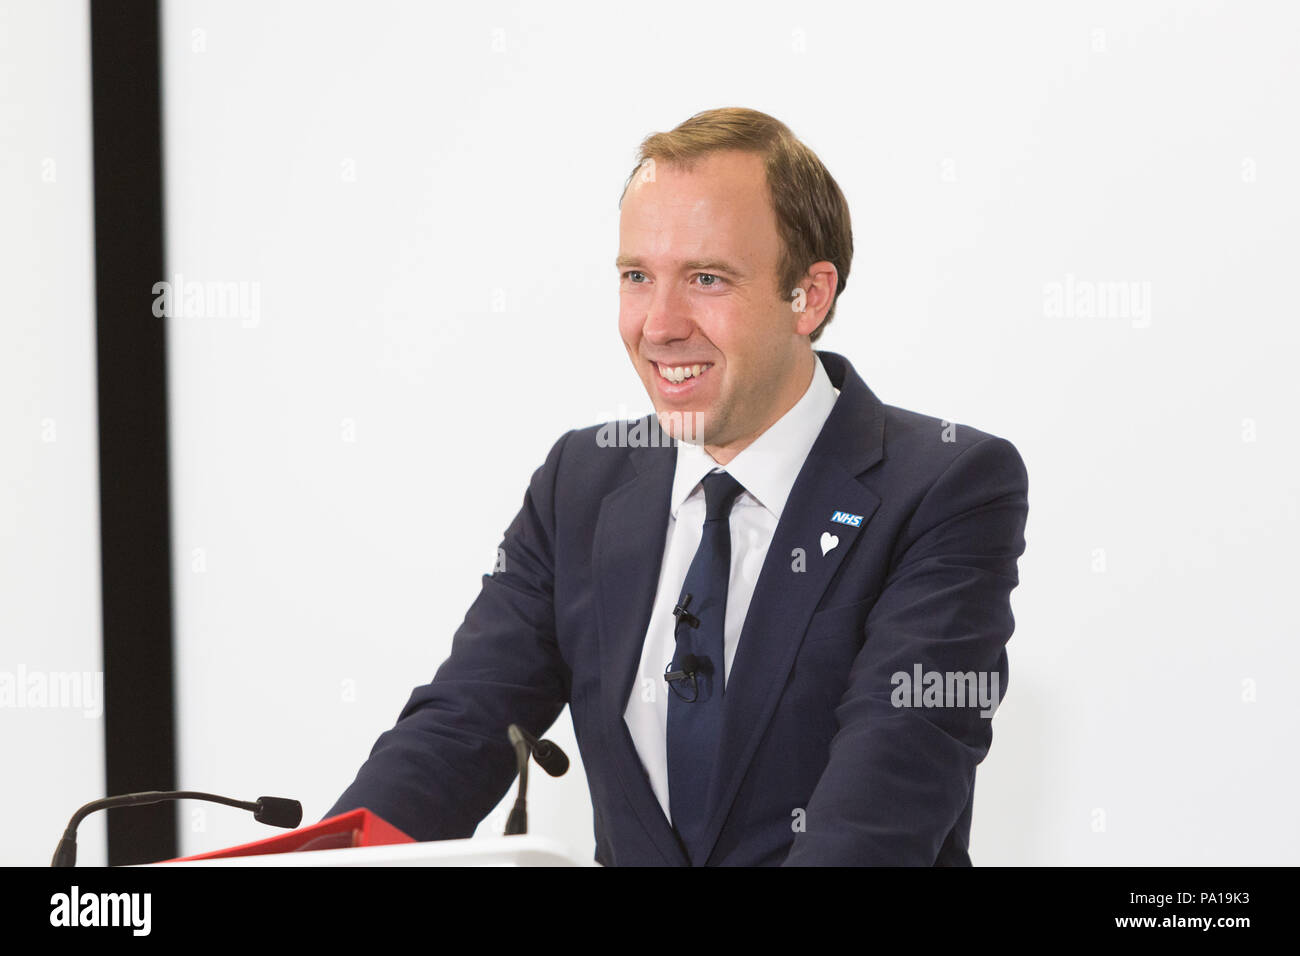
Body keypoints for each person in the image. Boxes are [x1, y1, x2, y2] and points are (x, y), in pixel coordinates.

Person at [326, 107, 1030, 866]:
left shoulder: (947, 487)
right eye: (637, 277)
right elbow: (458, 730)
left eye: (706, 279)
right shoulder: (581, 485)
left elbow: (887, 791)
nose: (659, 325)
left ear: (809, 297)